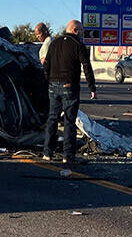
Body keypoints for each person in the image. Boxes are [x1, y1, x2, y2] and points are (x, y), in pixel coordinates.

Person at [42, 20, 97, 166]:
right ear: (75, 30)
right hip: (69, 86)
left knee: (52, 119)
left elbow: (46, 64)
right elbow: (87, 67)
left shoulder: (54, 43)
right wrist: (92, 88)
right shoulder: (78, 45)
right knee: (69, 122)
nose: (83, 34)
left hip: (53, 86)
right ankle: (67, 155)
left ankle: (47, 152)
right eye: (81, 31)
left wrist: (48, 80)